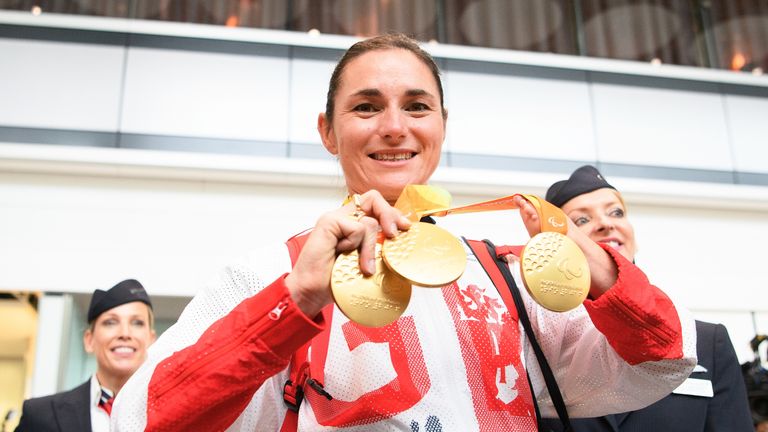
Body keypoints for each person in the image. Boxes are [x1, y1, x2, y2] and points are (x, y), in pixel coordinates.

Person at [112, 33, 697, 431]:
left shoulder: (508, 274)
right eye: (367, 107)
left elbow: (662, 363)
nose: (395, 127)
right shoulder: (272, 274)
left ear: (442, 124)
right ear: (327, 130)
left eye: (417, 106)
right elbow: (141, 419)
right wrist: (293, 304)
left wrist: (599, 273)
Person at [540, 164, 753, 431]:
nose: (606, 223)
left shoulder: (705, 343)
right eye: (581, 220)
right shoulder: (541, 348)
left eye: (616, 212)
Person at [15, 279, 155, 432]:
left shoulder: (176, 414)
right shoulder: (40, 415)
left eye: (137, 323)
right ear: (89, 340)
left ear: (151, 340)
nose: (125, 333)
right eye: (110, 322)